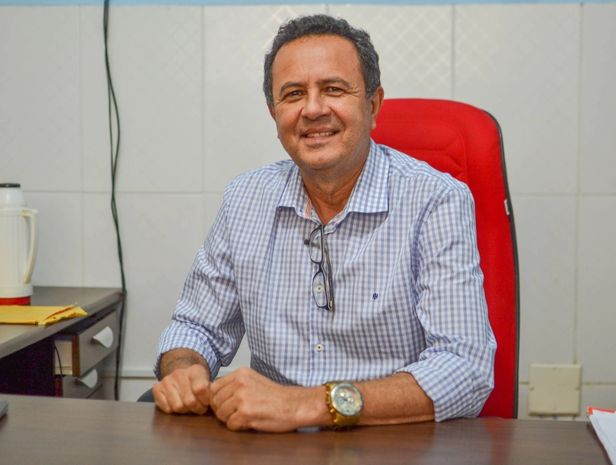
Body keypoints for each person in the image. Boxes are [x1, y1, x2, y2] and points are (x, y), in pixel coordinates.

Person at [152, 14, 496, 433]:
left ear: (373, 105)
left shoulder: (435, 199)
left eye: (333, 89)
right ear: (274, 113)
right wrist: (184, 370)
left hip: (393, 442)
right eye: (293, 94)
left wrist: (309, 404)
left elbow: (465, 368)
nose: (313, 109)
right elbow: (194, 327)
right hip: (273, 446)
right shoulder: (245, 199)